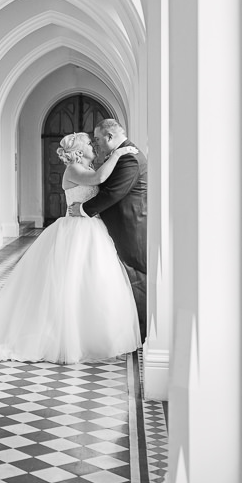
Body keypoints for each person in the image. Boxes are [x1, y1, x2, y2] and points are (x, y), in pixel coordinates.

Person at [0, 132, 142, 364]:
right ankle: (61, 338)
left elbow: (103, 181)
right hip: (75, 231)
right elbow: (99, 178)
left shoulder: (86, 167)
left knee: (92, 282)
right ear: (78, 150)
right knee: (67, 285)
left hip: (91, 229)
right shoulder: (73, 169)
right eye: (87, 142)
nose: (91, 144)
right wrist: (119, 152)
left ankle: (94, 336)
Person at [68, 119, 148, 343]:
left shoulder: (129, 157)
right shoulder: (120, 155)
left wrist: (83, 208)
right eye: (92, 142)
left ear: (110, 137)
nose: (96, 144)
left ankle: (141, 334)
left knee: (136, 279)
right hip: (108, 228)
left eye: (98, 140)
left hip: (130, 226)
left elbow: (112, 193)